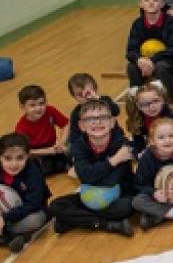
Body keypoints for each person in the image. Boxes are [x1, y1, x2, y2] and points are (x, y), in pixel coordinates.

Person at [50, 100, 135, 237]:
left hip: (119, 194)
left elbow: (111, 181)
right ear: (82, 126)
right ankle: (106, 224)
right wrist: (114, 160)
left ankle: (74, 220)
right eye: (90, 119)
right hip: (90, 194)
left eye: (103, 117)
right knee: (55, 206)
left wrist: (88, 173)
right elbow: (85, 176)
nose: (97, 122)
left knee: (125, 207)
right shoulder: (78, 146)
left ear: (112, 122)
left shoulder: (123, 145)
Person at [0, 133, 50, 252]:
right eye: (8, 158)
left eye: (20, 158)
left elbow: (34, 202)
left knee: (36, 220)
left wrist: (5, 219)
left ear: (27, 156)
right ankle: (11, 238)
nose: (14, 164)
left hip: (23, 214)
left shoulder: (33, 171)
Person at [126, 0, 173, 103]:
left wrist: (152, 60)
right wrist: (139, 60)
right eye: (146, 0)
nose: (151, 3)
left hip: (169, 61)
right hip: (145, 61)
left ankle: (168, 102)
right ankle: (137, 102)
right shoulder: (137, 24)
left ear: (162, 4)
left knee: (161, 67)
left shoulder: (170, 22)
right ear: (140, 4)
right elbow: (130, 50)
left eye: (155, 0)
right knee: (131, 67)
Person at [15, 85, 70, 176]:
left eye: (41, 103)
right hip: (38, 153)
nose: (38, 108)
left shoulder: (50, 110)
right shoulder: (21, 128)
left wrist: (61, 142)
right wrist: (50, 151)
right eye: (32, 105)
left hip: (54, 147)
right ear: (23, 107)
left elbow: (66, 124)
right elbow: (24, 151)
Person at [125, 84, 173, 153]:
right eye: (145, 104)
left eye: (155, 101)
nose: (152, 107)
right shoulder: (137, 120)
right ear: (138, 106)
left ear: (162, 100)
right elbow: (139, 144)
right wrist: (141, 153)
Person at [66, 74, 124, 149]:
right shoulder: (76, 113)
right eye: (80, 95)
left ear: (95, 90)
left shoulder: (105, 101)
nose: (85, 97)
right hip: (90, 146)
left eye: (88, 92)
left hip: (113, 140)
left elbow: (116, 111)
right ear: (74, 96)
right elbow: (74, 136)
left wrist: (98, 98)